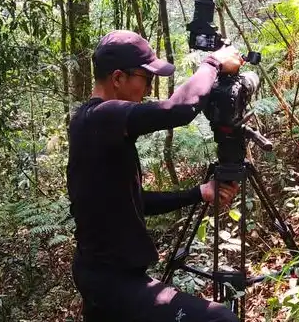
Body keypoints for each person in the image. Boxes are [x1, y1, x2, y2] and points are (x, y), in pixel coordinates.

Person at [67, 30, 243, 322]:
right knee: (220, 319)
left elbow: (135, 201)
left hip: (101, 274)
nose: (148, 90)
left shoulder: (92, 125)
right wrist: (212, 63)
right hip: (111, 281)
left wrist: (198, 193)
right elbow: (178, 110)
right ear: (118, 78)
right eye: (146, 79)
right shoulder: (101, 116)